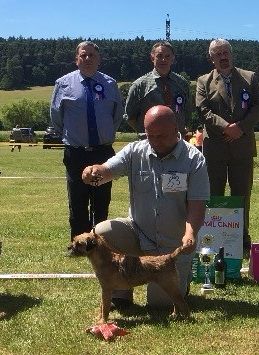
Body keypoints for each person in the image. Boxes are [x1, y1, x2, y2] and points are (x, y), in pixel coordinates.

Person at [82, 105, 210, 307]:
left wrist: (190, 233)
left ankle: (182, 284)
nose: (155, 141)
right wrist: (94, 171)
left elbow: (197, 204)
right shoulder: (135, 151)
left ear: (176, 130)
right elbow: (108, 170)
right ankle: (120, 291)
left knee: (160, 305)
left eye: (161, 136)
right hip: (139, 234)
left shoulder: (194, 159)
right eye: (150, 136)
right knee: (104, 231)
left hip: (173, 246)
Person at [50, 41, 123, 254]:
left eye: (92, 55)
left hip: (102, 152)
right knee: (78, 200)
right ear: (76, 59)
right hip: (76, 151)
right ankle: (78, 246)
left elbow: (116, 116)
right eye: (84, 55)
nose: (88, 59)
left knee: (101, 201)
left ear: (99, 59)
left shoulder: (110, 84)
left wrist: (104, 133)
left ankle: (100, 245)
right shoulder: (62, 83)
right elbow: (57, 117)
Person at [196, 38, 259, 255]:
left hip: (242, 148)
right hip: (215, 149)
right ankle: (215, 239)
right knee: (214, 195)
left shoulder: (250, 77)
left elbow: (257, 106)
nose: (223, 57)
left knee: (241, 195)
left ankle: (240, 240)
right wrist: (226, 128)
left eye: (226, 52)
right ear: (211, 58)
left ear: (232, 54)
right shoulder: (203, 81)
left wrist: (240, 128)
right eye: (218, 54)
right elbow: (203, 111)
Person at [125, 41, 192, 138]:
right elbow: (130, 117)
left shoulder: (182, 83)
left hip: (177, 140)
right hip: (149, 142)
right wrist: (147, 131)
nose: (163, 59)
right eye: (159, 56)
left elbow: (187, 111)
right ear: (152, 58)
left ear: (173, 59)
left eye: (167, 56)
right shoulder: (139, 85)